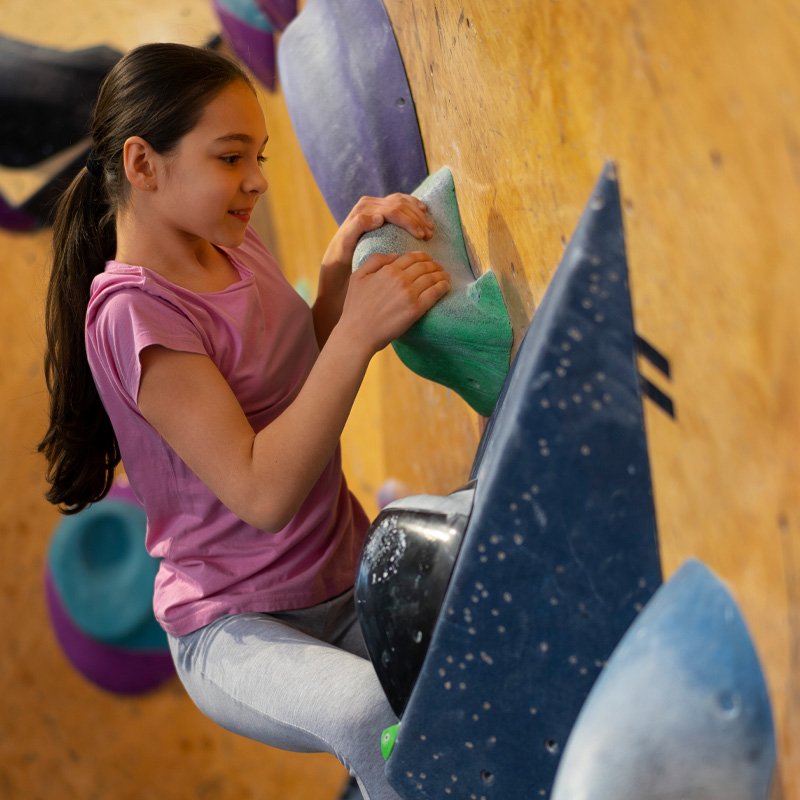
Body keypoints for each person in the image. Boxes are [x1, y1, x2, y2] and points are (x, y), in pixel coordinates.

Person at [37, 42, 450, 800]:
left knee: (449, 670)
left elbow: (298, 377)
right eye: (231, 158)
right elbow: (263, 493)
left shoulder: (223, 237)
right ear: (142, 165)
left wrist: (341, 260)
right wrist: (359, 331)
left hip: (340, 571)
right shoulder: (133, 314)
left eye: (255, 155)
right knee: (368, 714)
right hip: (238, 629)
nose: (256, 180)